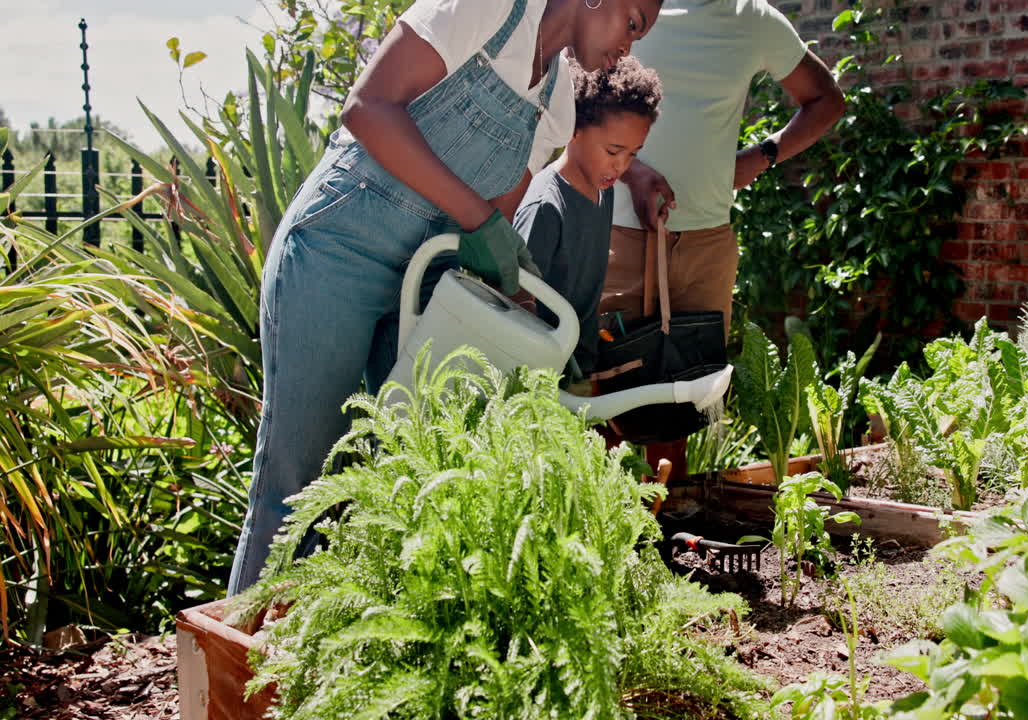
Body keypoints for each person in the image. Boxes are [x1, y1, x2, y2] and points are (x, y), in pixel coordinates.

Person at [228, 0, 664, 595]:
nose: (628, 49)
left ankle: (336, 671)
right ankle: (237, 676)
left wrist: (517, 292)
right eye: (633, 23)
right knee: (296, 483)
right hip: (338, 249)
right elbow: (369, 108)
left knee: (403, 482)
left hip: (423, 280)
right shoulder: (487, 8)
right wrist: (479, 223)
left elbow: (495, 216)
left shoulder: (558, 99)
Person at [599, 0, 845, 480]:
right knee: (598, 394)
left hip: (705, 245)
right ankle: (594, 534)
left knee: (681, 403)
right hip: (614, 231)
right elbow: (569, 95)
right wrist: (630, 168)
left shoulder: (752, 18)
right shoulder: (631, 7)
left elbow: (826, 100)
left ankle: (668, 532)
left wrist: (762, 156)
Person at [514, 56, 663, 382]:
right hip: (539, 380)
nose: (622, 166)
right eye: (613, 151)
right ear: (573, 127)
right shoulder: (545, 207)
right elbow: (513, 305)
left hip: (579, 371)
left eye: (633, 154)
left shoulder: (602, 189)